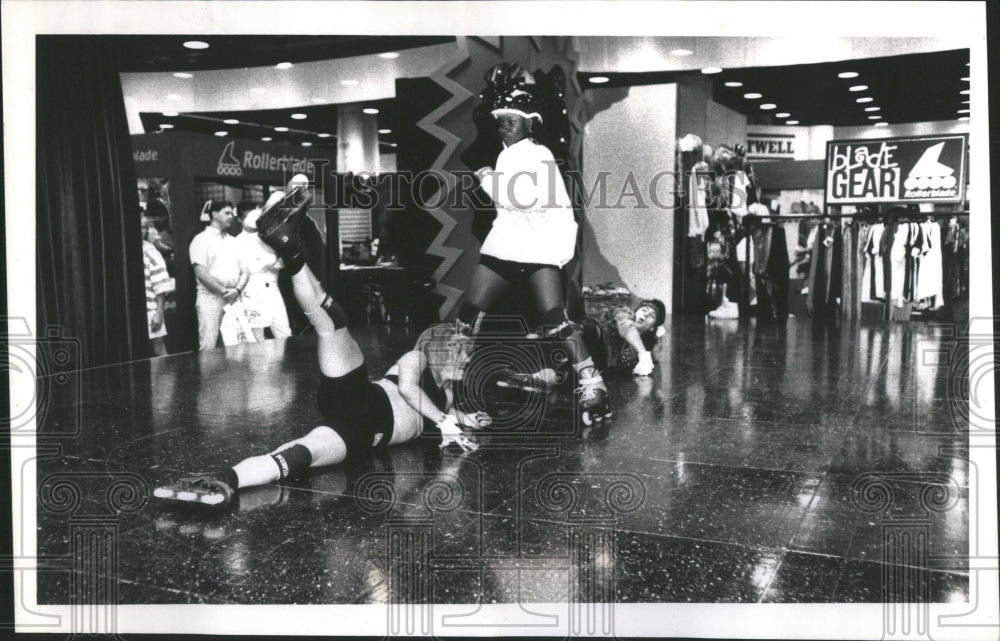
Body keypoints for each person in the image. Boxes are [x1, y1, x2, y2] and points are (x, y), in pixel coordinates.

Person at [154, 188, 487, 509]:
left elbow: (447, 415)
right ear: (442, 348)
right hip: (362, 397)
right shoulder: (417, 360)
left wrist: (465, 417)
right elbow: (408, 388)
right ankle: (289, 246)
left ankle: (221, 481)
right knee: (331, 321)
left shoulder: (446, 399)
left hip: (364, 434)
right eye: (462, 351)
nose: (467, 359)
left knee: (296, 457)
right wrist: (445, 421)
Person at [457, 84, 611, 425]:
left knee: (554, 321)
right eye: (502, 118)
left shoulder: (537, 154)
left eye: (515, 117)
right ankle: (450, 373)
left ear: (531, 123)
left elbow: (519, 198)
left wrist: (484, 177)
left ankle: (593, 385)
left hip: (538, 249)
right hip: (506, 245)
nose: (506, 122)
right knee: (468, 311)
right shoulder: (505, 154)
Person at [499, 299, 667, 391]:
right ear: (635, 311)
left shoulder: (647, 345)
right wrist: (643, 354)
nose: (646, 314)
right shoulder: (624, 313)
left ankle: (538, 378)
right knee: (585, 332)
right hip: (593, 336)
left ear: (653, 326)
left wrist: (658, 336)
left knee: (575, 374)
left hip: (598, 363)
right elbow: (626, 327)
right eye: (644, 309)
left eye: (652, 315)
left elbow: (658, 351)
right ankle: (537, 345)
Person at [189, 200, 249, 350]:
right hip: (210, 298)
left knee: (237, 344)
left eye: (232, 214)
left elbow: (246, 271)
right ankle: (209, 375)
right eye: (227, 213)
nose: (231, 217)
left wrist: (237, 290)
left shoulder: (234, 241)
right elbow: (200, 272)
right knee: (209, 345)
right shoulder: (200, 240)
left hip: (234, 298)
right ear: (215, 215)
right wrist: (223, 291)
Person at [235, 203, 291, 341]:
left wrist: (270, 261)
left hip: (273, 289)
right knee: (256, 338)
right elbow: (250, 268)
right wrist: (272, 259)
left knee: (284, 332)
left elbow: (282, 262)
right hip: (252, 292)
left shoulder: (268, 237)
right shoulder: (238, 242)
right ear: (241, 220)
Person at [142, 217, 171, 356]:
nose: (141, 230)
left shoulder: (150, 251)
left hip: (150, 309)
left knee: (157, 349)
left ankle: (167, 378)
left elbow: (161, 285)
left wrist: (159, 313)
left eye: (143, 227)